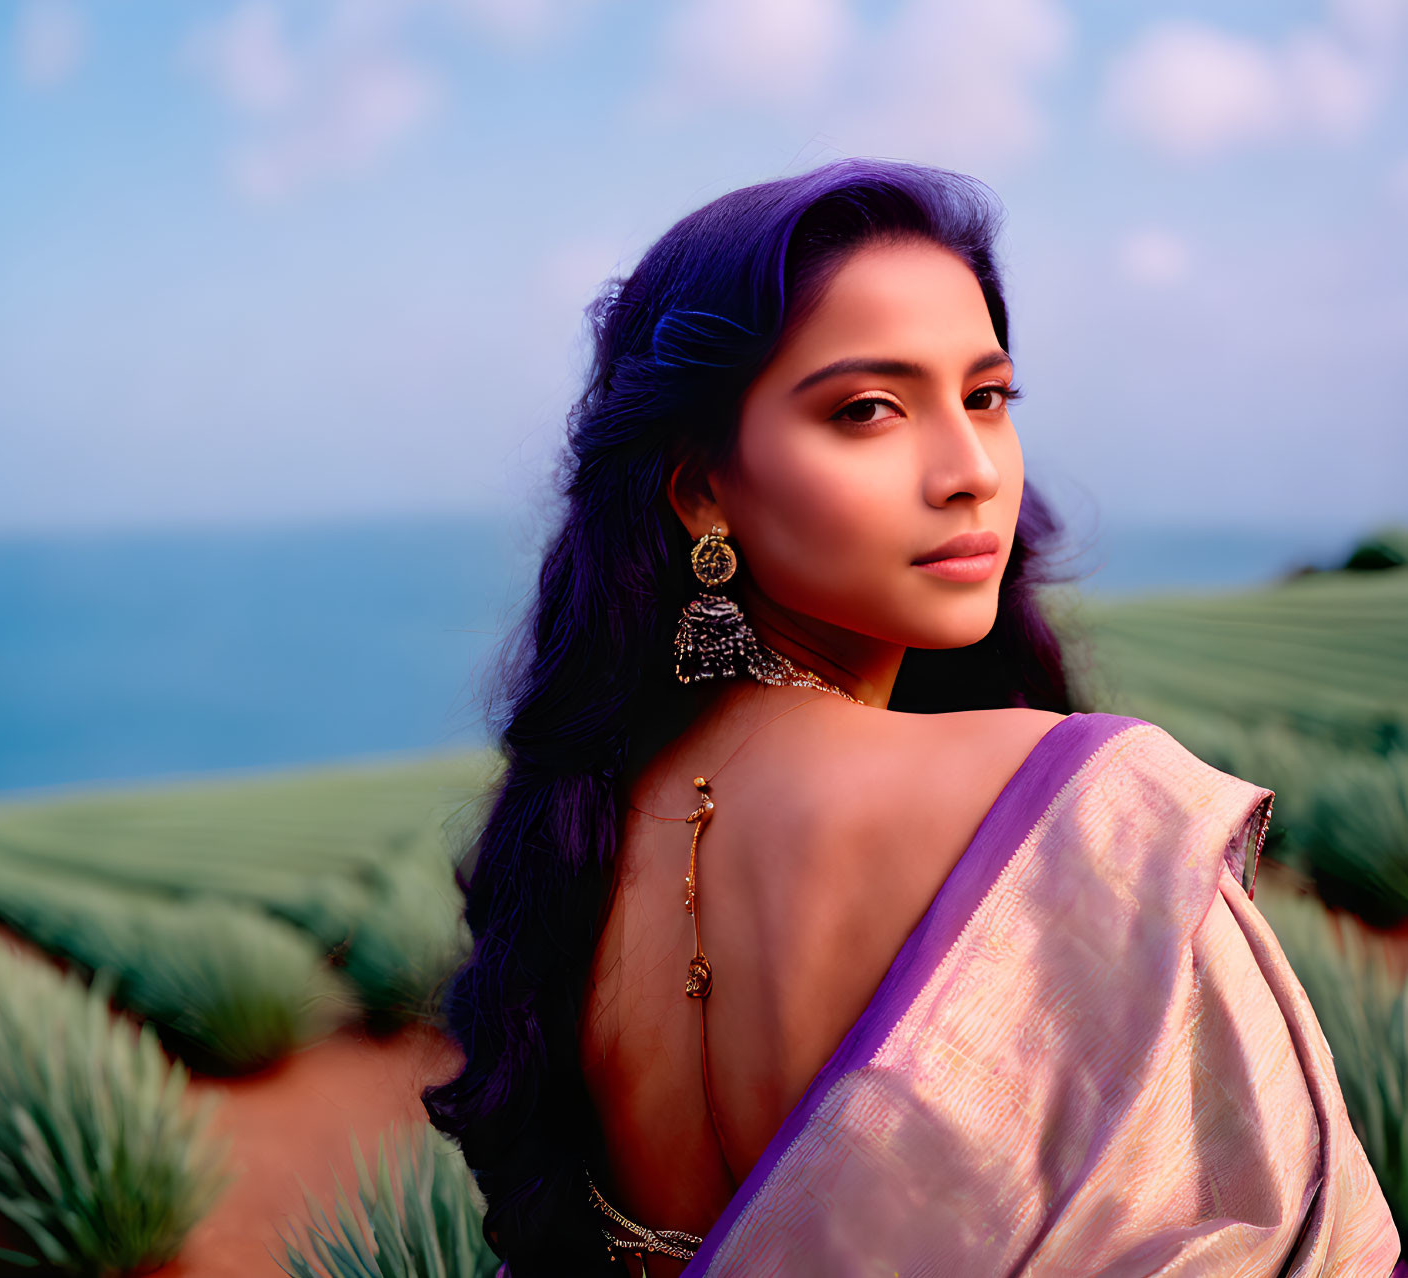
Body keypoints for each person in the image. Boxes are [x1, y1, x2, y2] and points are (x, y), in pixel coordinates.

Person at [420, 158, 1398, 1277]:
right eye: (867, 410)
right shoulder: (1087, 812)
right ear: (701, 489)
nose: (970, 469)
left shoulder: (577, 844)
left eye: (985, 396)